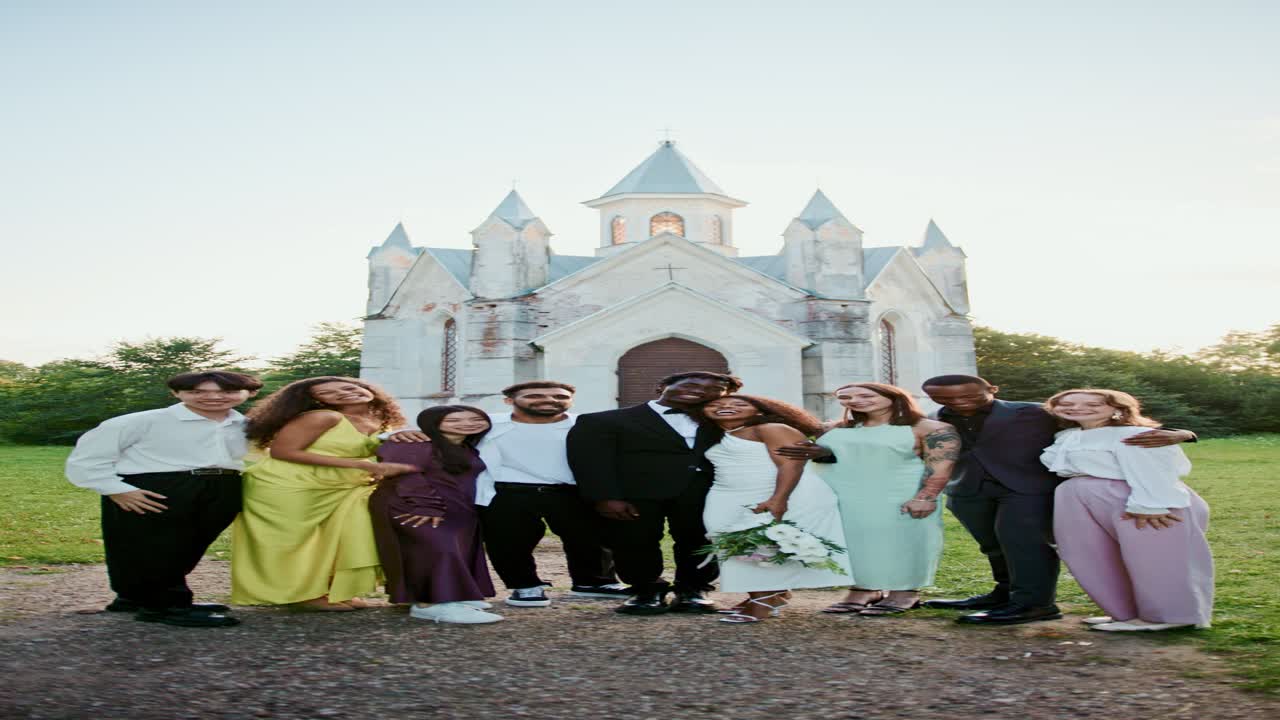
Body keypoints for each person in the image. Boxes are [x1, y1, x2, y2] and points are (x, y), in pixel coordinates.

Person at [914, 374, 1194, 625]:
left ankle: (1034, 604)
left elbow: (1108, 423)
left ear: (993, 389)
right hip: (967, 490)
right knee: (992, 546)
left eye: (968, 396)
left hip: (1027, 488)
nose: (958, 402)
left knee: (1023, 544)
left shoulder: (1034, 412)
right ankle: (1003, 594)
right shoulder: (932, 418)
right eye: (945, 398)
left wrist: (1184, 433)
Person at [65, 370, 263, 628]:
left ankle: (137, 598)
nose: (213, 397)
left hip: (222, 485)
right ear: (175, 393)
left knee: (188, 547)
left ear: (250, 393)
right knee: (154, 547)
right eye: (197, 392)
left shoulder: (247, 425)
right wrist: (114, 489)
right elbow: (88, 457)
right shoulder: (142, 421)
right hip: (156, 487)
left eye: (227, 391)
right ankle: (166, 607)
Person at [231, 376, 416, 610]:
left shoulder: (381, 421)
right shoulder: (324, 417)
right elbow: (282, 452)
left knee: (335, 539)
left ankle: (331, 591)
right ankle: (300, 596)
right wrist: (364, 465)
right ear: (317, 401)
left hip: (340, 486)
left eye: (348, 387)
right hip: (289, 485)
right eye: (328, 393)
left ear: (367, 389)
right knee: (294, 543)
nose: (344, 393)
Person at [566, 371, 742, 615]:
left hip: (703, 493)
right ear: (661, 386)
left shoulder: (726, 422)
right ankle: (646, 591)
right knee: (634, 541)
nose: (701, 391)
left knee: (701, 541)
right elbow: (590, 462)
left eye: (714, 389)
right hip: (635, 494)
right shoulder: (603, 420)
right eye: (691, 384)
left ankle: (693, 590)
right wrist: (605, 497)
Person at [1041, 389, 1212, 632]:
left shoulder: (1135, 434)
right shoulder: (1067, 435)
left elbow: (1154, 470)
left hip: (1140, 498)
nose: (1077, 408)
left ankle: (1167, 616)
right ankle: (1125, 613)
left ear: (1118, 409)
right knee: (1093, 556)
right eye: (1066, 403)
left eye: (1093, 404)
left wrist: (1150, 505)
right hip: (1084, 498)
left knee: (1154, 558)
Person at [782, 383, 959, 616]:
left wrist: (926, 497)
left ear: (894, 397)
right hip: (844, 494)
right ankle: (864, 590)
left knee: (903, 542)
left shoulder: (930, 428)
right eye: (846, 397)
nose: (855, 401)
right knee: (856, 544)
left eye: (866, 395)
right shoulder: (835, 428)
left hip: (898, 493)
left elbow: (940, 467)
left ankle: (904, 592)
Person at [697, 395, 851, 623]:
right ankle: (772, 595)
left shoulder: (771, 429)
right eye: (715, 404)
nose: (726, 406)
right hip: (729, 493)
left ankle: (762, 602)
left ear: (760, 411)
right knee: (738, 545)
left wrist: (779, 499)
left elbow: (792, 465)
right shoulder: (714, 434)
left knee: (758, 544)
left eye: (739, 404)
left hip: (776, 491)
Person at [371, 406, 504, 624]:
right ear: (433, 423)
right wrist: (426, 506)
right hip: (413, 504)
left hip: (455, 505)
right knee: (435, 549)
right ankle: (431, 604)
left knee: (455, 549)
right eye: (454, 420)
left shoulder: (467, 446)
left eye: (475, 419)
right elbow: (403, 474)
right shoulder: (413, 443)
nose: (467, 424)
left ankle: (451, 594)